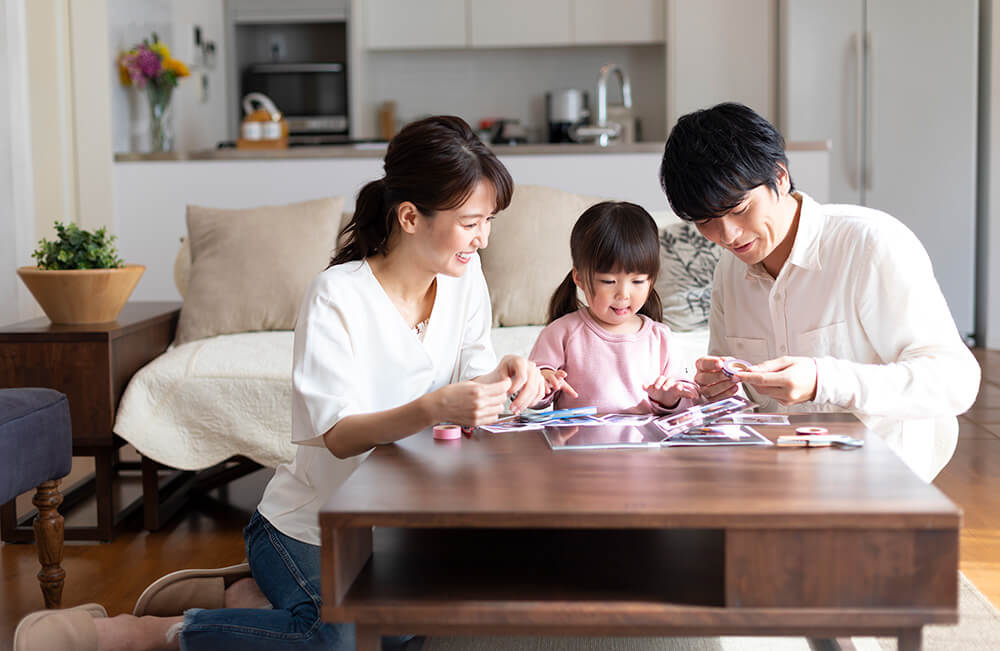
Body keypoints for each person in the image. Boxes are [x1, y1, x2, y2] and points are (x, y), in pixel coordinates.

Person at [13, 115, 546, 651]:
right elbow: (337, 434)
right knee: (333, 641)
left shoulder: (464, 278)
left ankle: (244, 600)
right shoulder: (337, 296)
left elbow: (477, 375)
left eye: (489, 221)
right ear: (410, 216)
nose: (484, 238)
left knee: (410, 624)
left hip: (403, 524)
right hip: (310, 527)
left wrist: (510, 375)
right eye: (472, 221)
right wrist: (433, 408)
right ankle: (141, 633)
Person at [658, 101, 980, 481]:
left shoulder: (871, 244)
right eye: (706, 222)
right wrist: (718, 389)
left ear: (779, 178)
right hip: (779, 474)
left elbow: (955, 381)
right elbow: (737, 396)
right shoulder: (731, 269)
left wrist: (821, 380)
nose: (727, 235)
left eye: (740, 209)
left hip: (882, 475)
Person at [529, 201, 700, 415]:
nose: (623, 294)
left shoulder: (660, 337)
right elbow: (531, 398)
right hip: (578, 445)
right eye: (609, 281)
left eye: (637, 281)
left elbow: (689, 400)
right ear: (579, 278)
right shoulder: (561, 332)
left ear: (652, 281)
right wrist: (542, 384)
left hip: (643, 446)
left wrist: (670, 399)